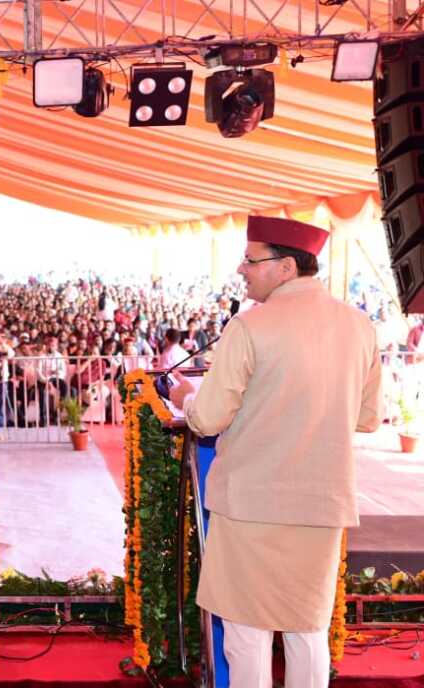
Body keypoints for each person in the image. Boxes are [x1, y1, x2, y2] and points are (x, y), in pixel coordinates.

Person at [169, 216, 382, 688]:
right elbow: (368, 418)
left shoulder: (249, 326)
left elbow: (208, 419)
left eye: (250, 260)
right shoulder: (359, 325)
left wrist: (186, 397)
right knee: (308, 629)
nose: (241, 269)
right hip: (320, 505)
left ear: (286, 267)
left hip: (251, 506)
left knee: (247, 634)